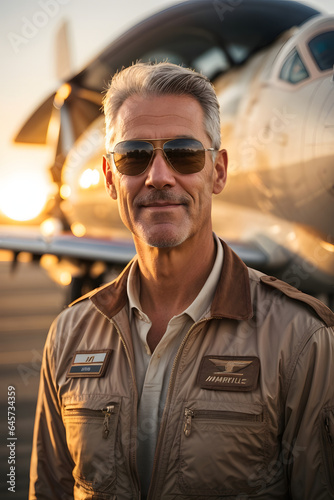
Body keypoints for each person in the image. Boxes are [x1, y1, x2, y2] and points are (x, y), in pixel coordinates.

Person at [29, 62, 334, 500]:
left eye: (185, 154)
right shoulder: (67, 336)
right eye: (134, 156)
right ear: (112, 178)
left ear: (219, 171)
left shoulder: (303, 341)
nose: (158, 176)